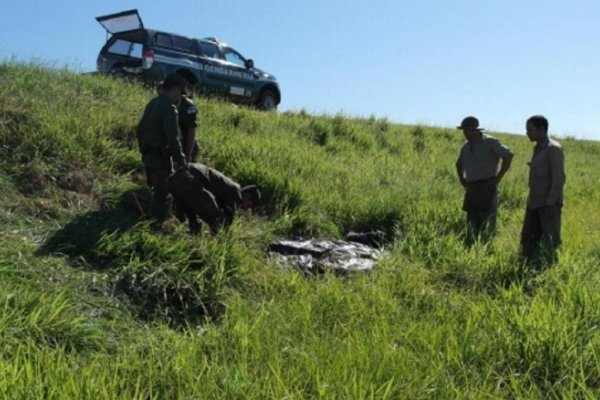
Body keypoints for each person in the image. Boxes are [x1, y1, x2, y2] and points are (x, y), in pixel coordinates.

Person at [137, 73, 187, 229]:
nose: (179, 97)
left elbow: (139, 129)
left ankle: (151, 223)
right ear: (175, 89)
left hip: (148, 156)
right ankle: (155, 231)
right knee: (163, 196)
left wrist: (143, 150)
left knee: (156, 192)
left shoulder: (151, 104)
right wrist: (181, 160)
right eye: (179, 93)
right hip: (161, 159)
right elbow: (173, 139)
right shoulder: (169, 108)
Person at [455, 116, 514, 241]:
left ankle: (487, 243)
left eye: (467, 130)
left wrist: (498, 177)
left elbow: (508, 155)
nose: (465, 133)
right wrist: (462, 178)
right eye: (464, 130)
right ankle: (472, 241)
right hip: (471, 187)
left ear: (475, 130)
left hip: (487, 185)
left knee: (487, 218)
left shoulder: (490, 142)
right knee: (471, 217)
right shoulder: (466, 147)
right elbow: (458, 164)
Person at [520, 115, 565, 265]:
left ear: (541, 129)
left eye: (530, 130)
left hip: (548, 204)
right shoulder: (537, 149)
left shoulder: (553, 149)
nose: (527, 133)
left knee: (549, 240)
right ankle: (528, 264)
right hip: (534, 202)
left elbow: (558, 179)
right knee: (529, 237)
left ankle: (546, 268)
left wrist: (551, 203)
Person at [167, 163, 261, 234]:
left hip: (177, 179)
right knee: (220, 221)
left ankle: (193, 240)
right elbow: (225, 222)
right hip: (191, 180)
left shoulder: (230, 188)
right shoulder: (236, 193)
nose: (246, 208)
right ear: (247, 196)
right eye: (249, 205)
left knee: (194, 218)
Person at [156, 81, 200, 163]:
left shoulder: (188, 106)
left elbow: (191, 131)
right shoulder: (159, 105)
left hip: (186, 143)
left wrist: (188, 154)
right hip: (171, 143)